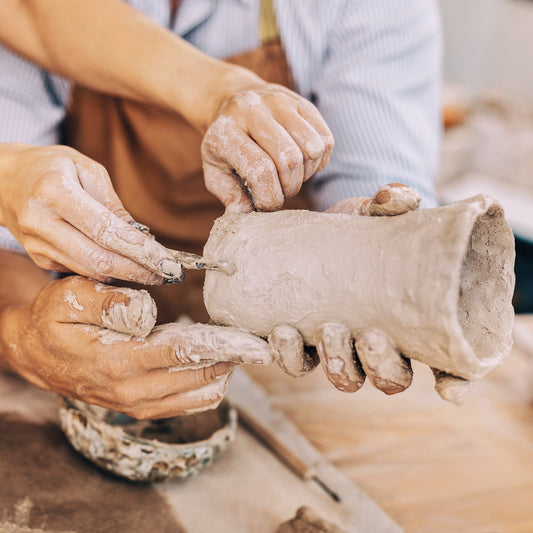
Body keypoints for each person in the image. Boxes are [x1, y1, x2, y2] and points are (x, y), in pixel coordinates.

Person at [0, 0, 443, 418]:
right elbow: (10, 242)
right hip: (73, 336)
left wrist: (375, 252)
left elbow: (380, 183)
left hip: (279, 357)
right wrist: (23, 336)